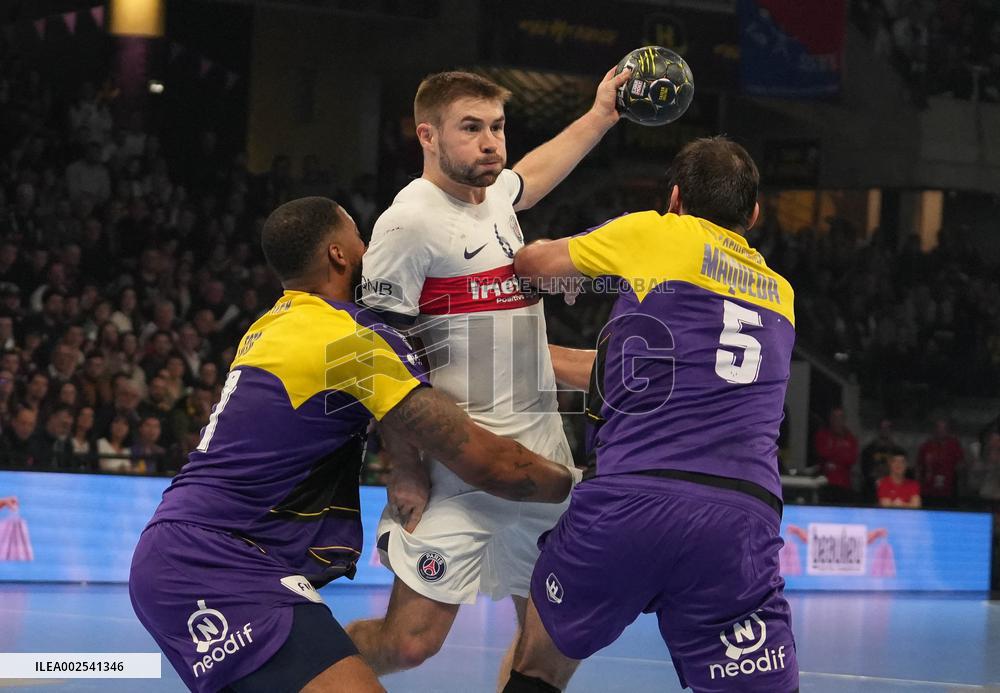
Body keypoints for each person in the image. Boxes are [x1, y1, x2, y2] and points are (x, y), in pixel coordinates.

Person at [128, 197, 576, 693]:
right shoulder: (349, 342)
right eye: (362, 237)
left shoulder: (273, 325)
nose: (373, 249)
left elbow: (372, 402)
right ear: (341, 255)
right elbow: (495, 466)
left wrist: (403, 464)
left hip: (215, 555)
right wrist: (578, 484)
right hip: (210, 564)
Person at [348, 66, 628, 683]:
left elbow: (538, 171)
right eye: (471, 128)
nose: (490, 143)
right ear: (428, 135)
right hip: (457, 470)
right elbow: (377, 360)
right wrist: (408, 468)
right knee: (409, 645)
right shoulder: (407, 223)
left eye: (497, 127)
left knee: (553, 638)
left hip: (542, 461)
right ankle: (299, 670)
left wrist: (602, 113)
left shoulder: (498, 197)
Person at [504, 136, 799, 692]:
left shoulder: (658, 231)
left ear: (675, 198)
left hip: (633, 497)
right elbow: (638, 372)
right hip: (742, 522)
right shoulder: (781, 295)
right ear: (755, 214)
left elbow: (532, 264)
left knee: (541, 663)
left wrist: (580, 270)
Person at [814, 406, 859, 503]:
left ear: (844, 420)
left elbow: (851, 459)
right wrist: (841, 451)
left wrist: (834, 454)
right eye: (834, 418)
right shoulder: (822, 435)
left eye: (840, 418)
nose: (837, 421)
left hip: (844, 484)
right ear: (830, 419)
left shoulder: (850, 438)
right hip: (826, 483)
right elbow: (823, 453)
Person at [916, 417, 963, 507]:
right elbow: (919, 467)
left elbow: (960, 465)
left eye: (944, 428)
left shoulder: (954, 445)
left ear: (948, 430)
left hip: (948, 490)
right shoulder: (926, 446)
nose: (941, 431)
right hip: (928, 490)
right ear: (934, 429)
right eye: (939, 428)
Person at [860, 418, 899, 503]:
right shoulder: (868, 451)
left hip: (893, 492)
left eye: (888, 428)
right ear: (878, 430)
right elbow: (866, 472)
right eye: (882, 428)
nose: (885, 430)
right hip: (872, 493)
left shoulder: (898, 452)